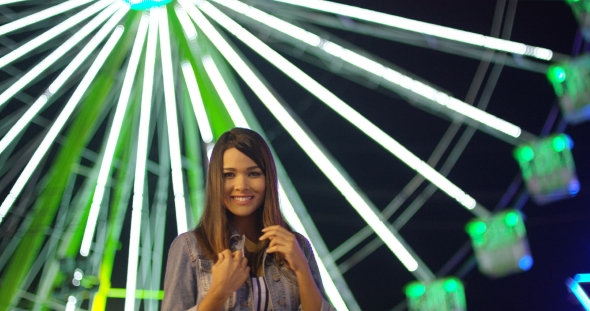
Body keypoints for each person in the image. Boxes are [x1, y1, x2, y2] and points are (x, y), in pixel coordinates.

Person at [162, 128, 335, 311]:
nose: (241, 186)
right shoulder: (189, 248)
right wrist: (218, 293)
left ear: (268, 179)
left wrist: (302, 269)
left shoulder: (296, 245)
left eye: (253, 174)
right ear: (215, 181)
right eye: (229, 175)